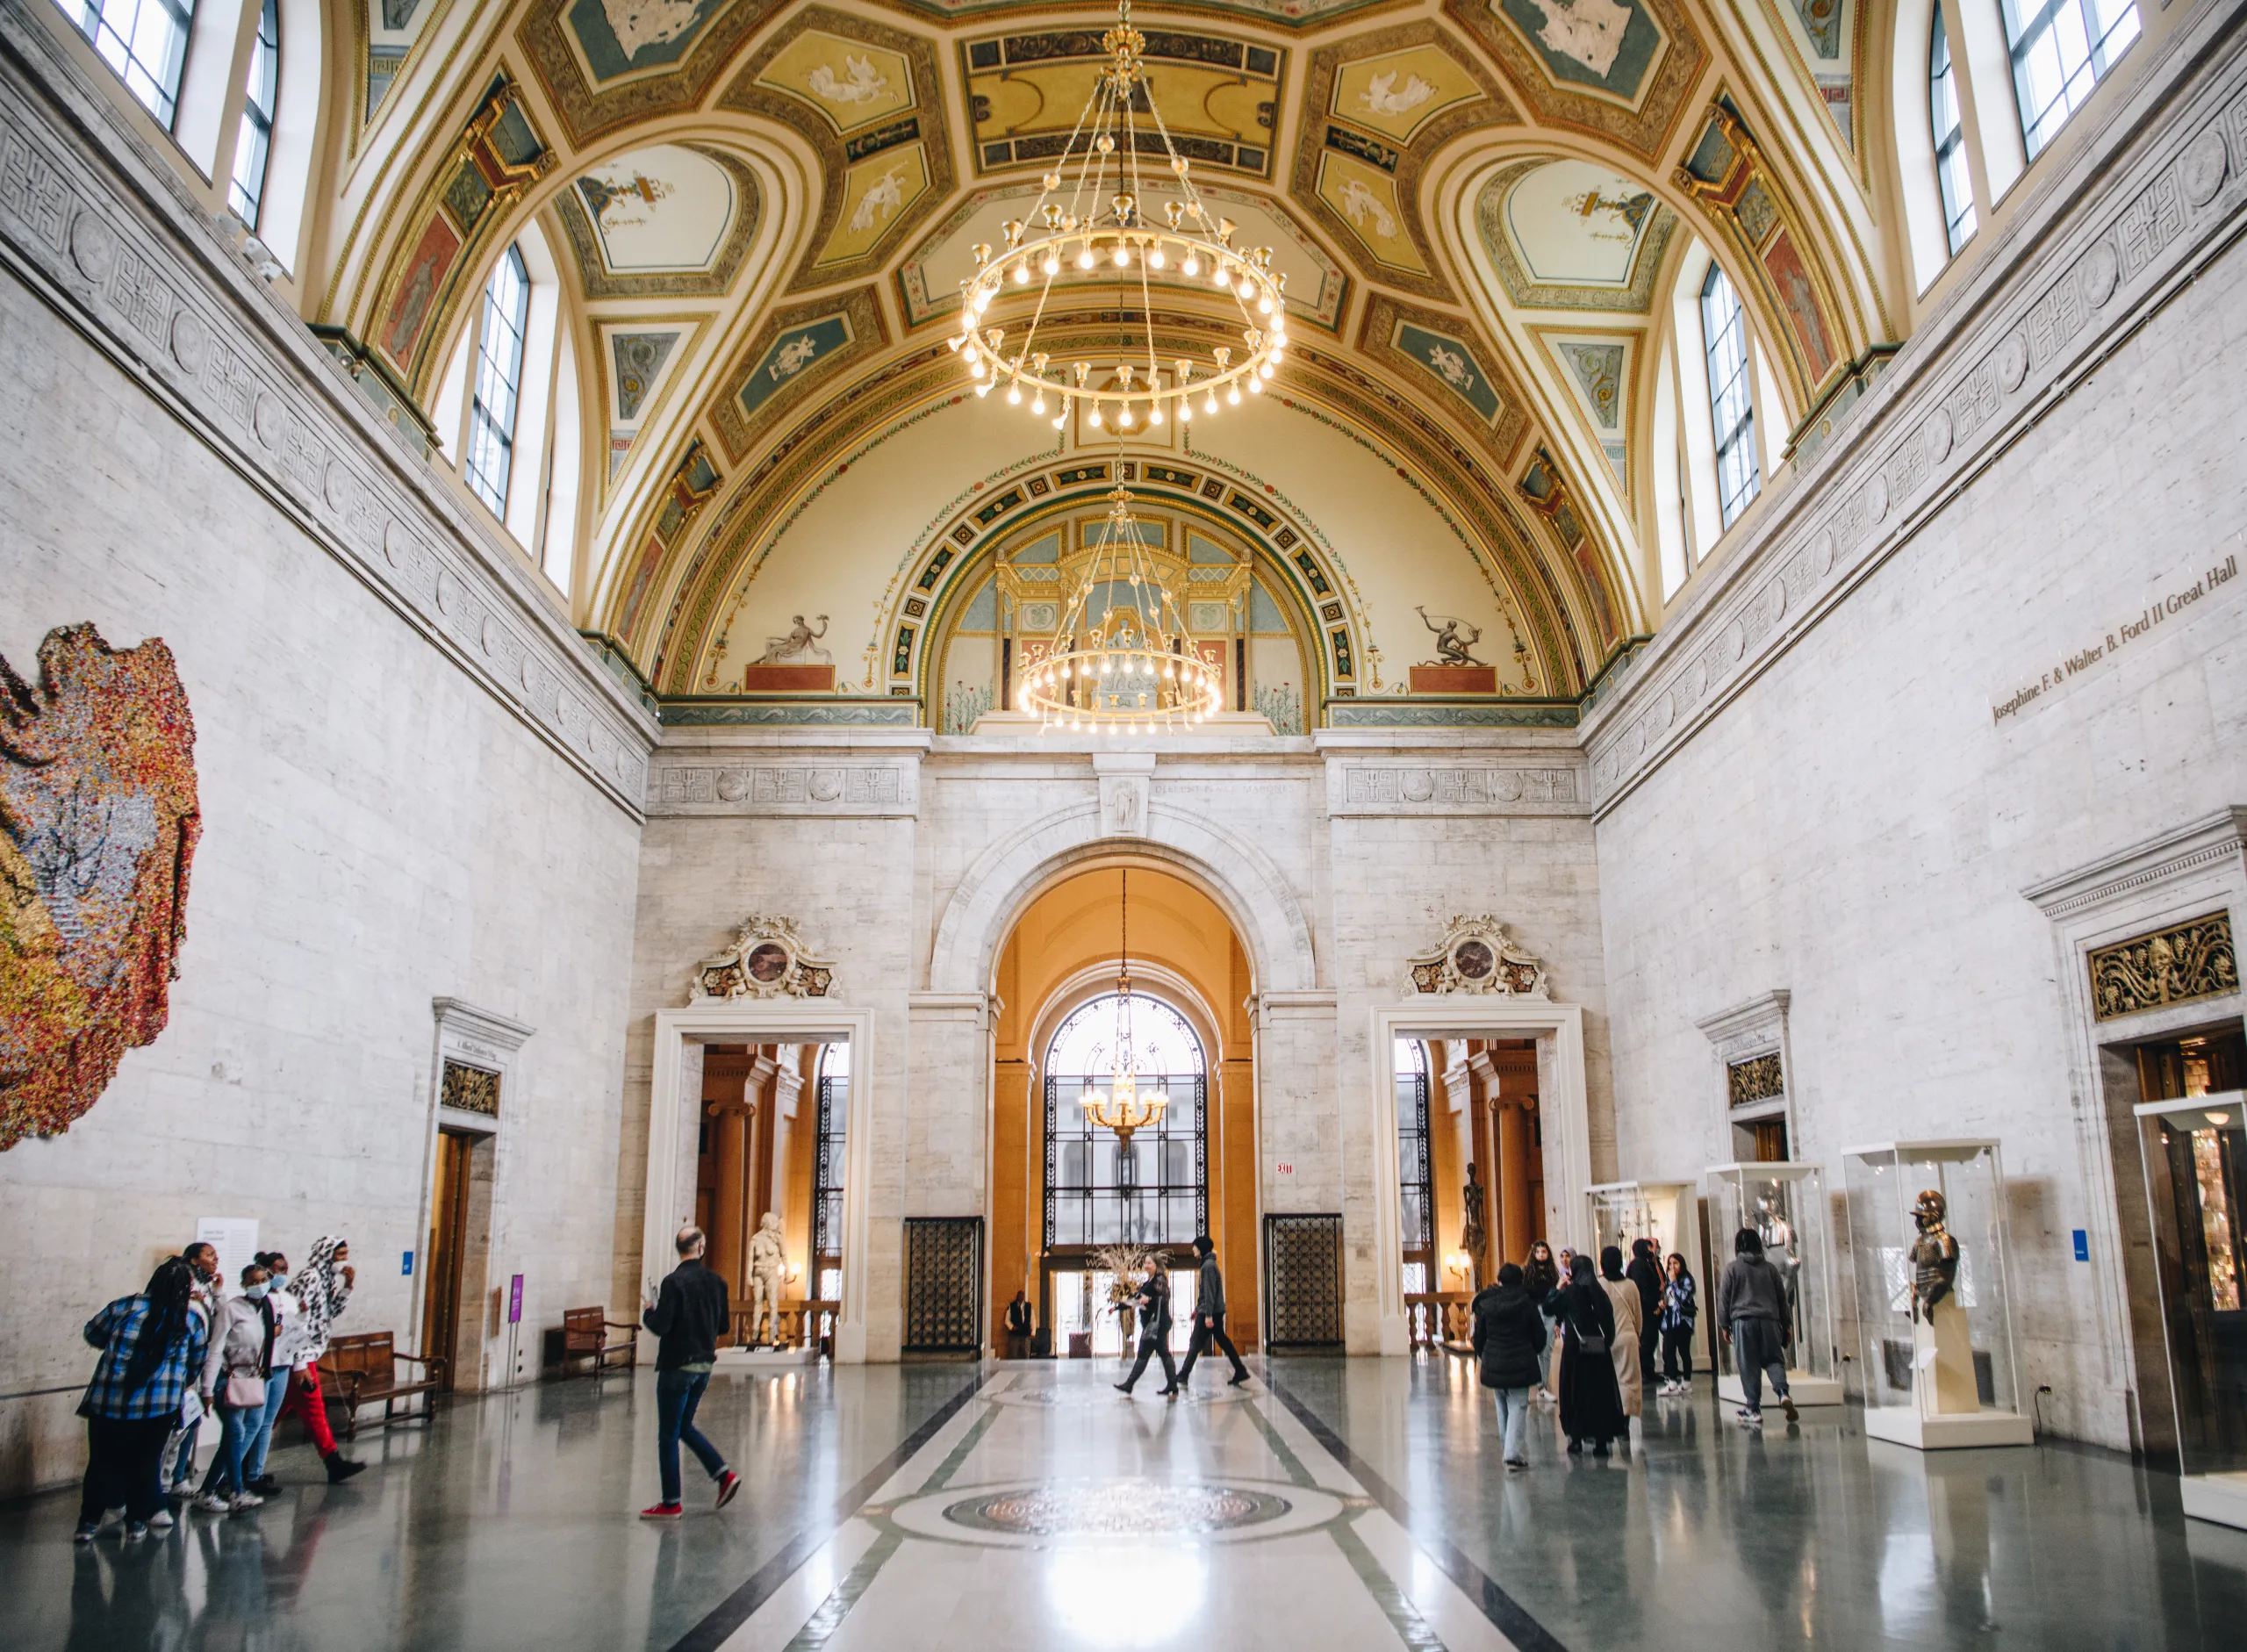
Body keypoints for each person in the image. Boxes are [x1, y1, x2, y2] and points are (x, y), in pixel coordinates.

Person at [75, 1256, 207, 1541]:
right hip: (159, 1406)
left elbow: (93, 1333)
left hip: (108, 1400)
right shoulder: (191, 1319)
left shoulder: (124, 1307)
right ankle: (136, 1523)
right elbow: (197, 1362)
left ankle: (87, 1524)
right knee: (145, 1463)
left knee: (100, 1462)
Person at [639, 1225, 741, 1519]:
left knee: (668, 1435)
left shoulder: (673, 1283)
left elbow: (660, 1326)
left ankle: (671, 1502)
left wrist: (649, 1310)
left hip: (677, 1367)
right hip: (703, 1367)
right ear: (700, 1247)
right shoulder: (717, 1282)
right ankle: (723, 1475)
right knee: (683, 1426)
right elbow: (723, 1328)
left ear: (680, 1249)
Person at [273, 1236, 366, 1483]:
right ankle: (332, 1461)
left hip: (308, 1353)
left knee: (276, 1411)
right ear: (326, 1254)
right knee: (314, 1409)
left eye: (345, 1254)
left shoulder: (326, 1279)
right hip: (299, 1357)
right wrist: (300, 1362)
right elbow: (297, 1320)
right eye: (339, 1254)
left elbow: (330, 1312)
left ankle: (243, 1459)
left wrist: (348, 1285)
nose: (343, 1259)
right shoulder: (310, 1278)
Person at [194, 1262, 276, 1513]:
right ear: (243, 1285)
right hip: (225, 1379)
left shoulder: (266, 1309)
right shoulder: (232, 1309)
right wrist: (207, 1389)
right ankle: (236, 1491)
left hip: (247, 1378)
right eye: (253, 1281)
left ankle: (207, 1491)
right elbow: (215, 1348)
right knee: (235, 1434)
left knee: (232, 1437)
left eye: (263, 1279)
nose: (259, 1285)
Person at [161, 1240, 223, 1504]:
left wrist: (217, 1294)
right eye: (209, 1255)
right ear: (194, 1260)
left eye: (216, 1255)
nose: (215, 1259)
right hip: (179, 1367)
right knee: (173, 1427)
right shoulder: (182, 1281)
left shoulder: (208, 1285)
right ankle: (162, 1484)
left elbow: (219, 1320)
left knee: (191, 1421)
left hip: (197, 1365)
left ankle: (177, 1478)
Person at [1719, 1227, 1799, 1426]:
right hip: (1770, 1321)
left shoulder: (1732, 1269)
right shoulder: (1770, 1269)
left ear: (1738, 1246)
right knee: (1774, 1360)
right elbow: (1782, 1300)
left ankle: (1753, 1409)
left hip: (1743, 1322)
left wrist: (1724, 1325)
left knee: (1749, 1365)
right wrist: (1787, 1325)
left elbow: (1724, 1300)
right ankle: (1782, 1393)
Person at [1469, 1262, 1546, 1469]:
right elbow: (1539, 1334)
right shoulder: (1527, 1303)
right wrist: (1535, 1350)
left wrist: (1483, 1355)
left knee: (1502, 1406)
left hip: (1495, 1361)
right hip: (1521, 1361)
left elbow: (1480, 1336)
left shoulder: (1488, 1304)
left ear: (1500, 1280)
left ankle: (1508, 1448)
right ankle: (1512, 1453)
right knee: (1518, 1406)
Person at [1548, 1254, 1625, 1457]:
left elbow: (1549, 1308)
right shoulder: (1598, 1290)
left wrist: (1557, 1288)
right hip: (1595, 1347)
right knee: (1598, 1392)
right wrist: (1606, 1342)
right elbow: (1608, 1319)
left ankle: (1576, 1438)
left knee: (1574, 1390)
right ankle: (1601, 1441)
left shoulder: (1569, 1291)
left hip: (1574, 1346)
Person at [238, 1251, 294, 1495]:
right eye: (278, 1270)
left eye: (285, 1269)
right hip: (262, 1366)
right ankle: (230, 1474)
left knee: (267, 1422)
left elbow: (296, 1329)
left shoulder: (287, 1299)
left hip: (283, 1362)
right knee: (253, 1422)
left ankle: (255, 1473)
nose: (282, 1274)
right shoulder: (256, 1303)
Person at [1174, 1235, 1249, 1388]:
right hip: (1212, 1311)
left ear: (1201, 1247)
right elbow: (1206, 1293)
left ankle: (1183, 1375)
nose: (1193, 1249)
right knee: (1223, 1341)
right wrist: (1197, 1309)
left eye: (1195, 1246)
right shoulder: (1208, 1264)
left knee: (1195, 1343)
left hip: (1210, 1313)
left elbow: (1209, 1292)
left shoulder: (1207, 1266)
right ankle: (1240, 1370)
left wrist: (1207, 1315)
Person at [1598, 1246, 1644, 1436]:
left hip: (1605, 1338)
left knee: (1609, 1380)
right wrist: (1637, 1334)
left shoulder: (1599, 1284)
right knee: (1628, 1380)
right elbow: (1637, 1314)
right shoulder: (1631, 1285)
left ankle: (1611, 1418)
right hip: (1628, 1336)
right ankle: (1625, 1419)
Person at [1115, 1269, 1179, 1397]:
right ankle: (1173, 1385)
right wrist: (1118, 1307)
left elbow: (1163, 1299)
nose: (1146, 1265)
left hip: (1157, 1324)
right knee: (1163, 1353)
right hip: (1154, 1324)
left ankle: (1129, 1384)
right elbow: (1137, 1300)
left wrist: (1149, 1299)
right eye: (1146, 1262)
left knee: (1145, 1354)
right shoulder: (1147, 1284)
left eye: (1150, 1263)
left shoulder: (1159, 1281)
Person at [1523, 1240, 1561, 1404]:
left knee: (1547, 1349)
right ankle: (1536, 1385)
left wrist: (1559, 1319)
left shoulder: (1553, 1273)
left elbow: (1557, 1296)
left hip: (1550, 1312)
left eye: (1543, 1252)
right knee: (1535, 1350)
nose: (1540, 1255)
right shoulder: (1528, 1273)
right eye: (1537, 1252)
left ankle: (1543, 1386)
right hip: (1535, 1311)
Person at [1657, 1253, 1698, 1397]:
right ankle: (1672, 1383)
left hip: (1682, 1321)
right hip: (1669, 1321)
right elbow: (1670, 1297)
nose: (1672, 1267)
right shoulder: (1669, 1280)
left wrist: (1673, 1282)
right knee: (1668, 1351)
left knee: (1684, 1352)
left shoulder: (1686, 1279)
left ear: (1681, 1264)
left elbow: (1682, 1297)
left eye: (1675, 1263)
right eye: (1670, 1264)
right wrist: (1663, 1303)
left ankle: (1686, 1383)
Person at [1626, 1239, 1663, 1386]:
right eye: (1648, 1247)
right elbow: (1642, 1289)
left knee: (1651, 1339)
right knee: (1647, 1340)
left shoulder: (1645, 1264)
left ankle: (1648, 1370)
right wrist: (1653, 1303)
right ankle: (1643, 1371)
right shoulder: (1638, 1266)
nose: (1651, 1250)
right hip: (1645, 1310)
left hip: (1648, 1309)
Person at [1004, 1289, 1034, 1361]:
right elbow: (1007, 1320)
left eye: (1022, 1295)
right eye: (1020, 1295)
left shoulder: (1029, 1306)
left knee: (1026, 1355)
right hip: (1015, 1335)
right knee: (1014, 1355)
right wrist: (1011, 1327)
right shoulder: (1011, 1305)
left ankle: (1025, 1370)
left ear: (1024, 1297)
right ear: (1017, 1296)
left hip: (1026, 1334)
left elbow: (1033, 1319)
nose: (1021, 1297)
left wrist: (1033, 1332)